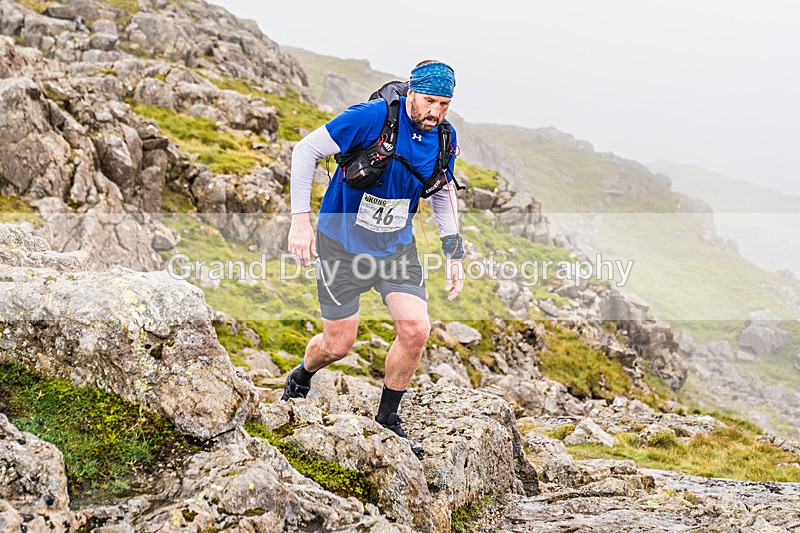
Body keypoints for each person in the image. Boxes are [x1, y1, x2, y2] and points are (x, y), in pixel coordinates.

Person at [282, 60, 464, 458]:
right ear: (412, 91)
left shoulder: (444, 139)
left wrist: (454, 252)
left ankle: (388, 420)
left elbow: (441, 194)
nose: (435, 112)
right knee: (337, 345)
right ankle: (301, 375)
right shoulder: (371, 118)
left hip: (395, 248)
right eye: (430, 101)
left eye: (444, 104)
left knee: (416, 330)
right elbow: (305, 150)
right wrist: (300, 222)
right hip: (340, 246)